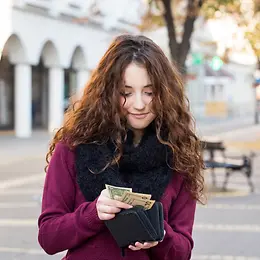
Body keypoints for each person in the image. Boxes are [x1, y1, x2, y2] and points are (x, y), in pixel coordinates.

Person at [38, 34, 204, 260]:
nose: (138, 104)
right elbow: (49, 237)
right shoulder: (73, 146)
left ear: (164, 93)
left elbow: (182, 252)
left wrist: (160, 234)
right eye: (126, 93)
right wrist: (93, 213)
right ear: (107, 93)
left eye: (149, 92)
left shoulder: (179, 155)